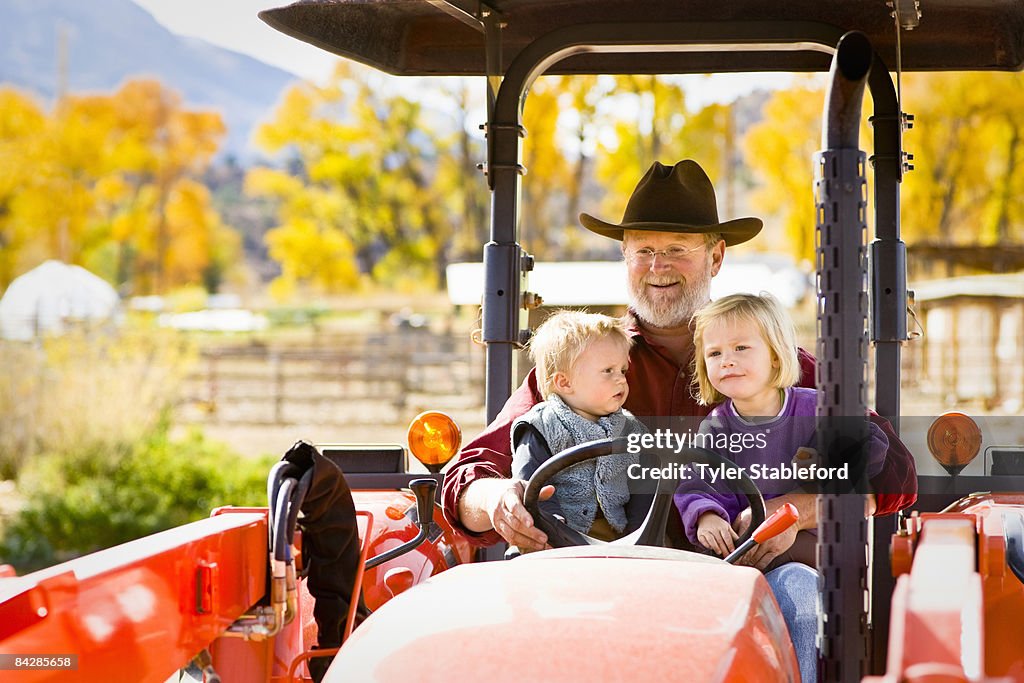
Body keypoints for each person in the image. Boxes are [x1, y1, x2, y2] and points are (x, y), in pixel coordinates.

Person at [441, 159, 916, 556]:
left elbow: (892, 474)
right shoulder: (576, 362)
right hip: (604, 584)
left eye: (675, 250)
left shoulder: (779, 368)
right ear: (624, 257)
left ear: (715, 258)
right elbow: (467, 477)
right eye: (643, 250)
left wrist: (797, 508)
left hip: (742, 586)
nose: (657, 267)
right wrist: (498, 498)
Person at [676, 292, 888, 563]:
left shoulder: (817, 409)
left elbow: (870, 441)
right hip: (748, 550)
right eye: (715, 353)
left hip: (814, 548)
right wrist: (707, 516)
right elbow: (696, 481)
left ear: (775, 355)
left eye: (740, 348)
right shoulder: (716, 429)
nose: (726, 360)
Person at [510, 311, 647, 542]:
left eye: (622, 370)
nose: (621, 379)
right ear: (565, 382)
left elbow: (643, 491)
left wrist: (639, 536)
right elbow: (532, 487)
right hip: (557, 539)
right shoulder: (541, 427)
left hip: (620, 541)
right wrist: (552, 532)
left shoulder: (631, 430)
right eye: (608, 371)